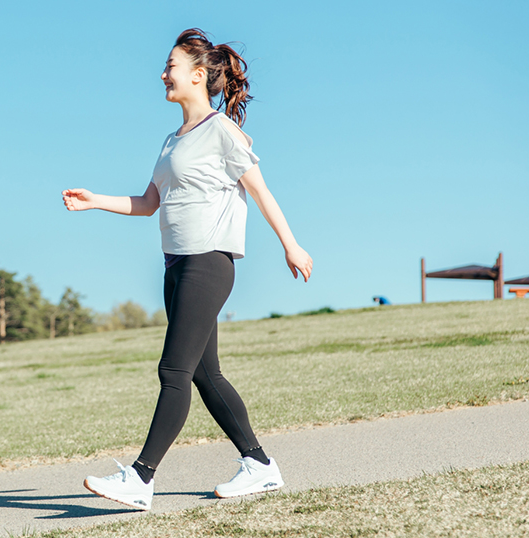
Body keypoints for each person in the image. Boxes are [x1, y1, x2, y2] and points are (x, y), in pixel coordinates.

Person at [62, 28, 313, 511]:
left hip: (209, 262)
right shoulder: (170, 140)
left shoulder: (222, 131)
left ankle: (140, 478)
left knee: (172, 369)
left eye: (171, 66)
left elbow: (260, 189)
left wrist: (291, 244)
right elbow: (148, 203)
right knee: (204, 373)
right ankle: (259, 466)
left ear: (198, 75)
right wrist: (96, 201)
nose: (163, 74)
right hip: (176, 266)